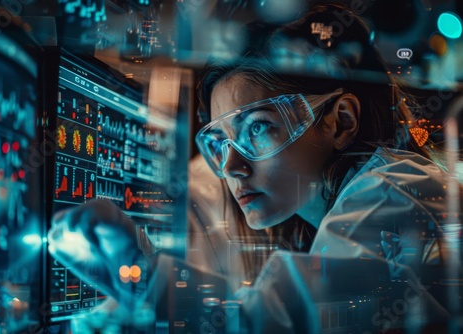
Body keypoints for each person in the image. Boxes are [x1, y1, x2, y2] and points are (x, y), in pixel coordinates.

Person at [48, 3, 458, 332]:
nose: (231, 166)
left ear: (341, 121)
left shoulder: (392, 191)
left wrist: (138, 275)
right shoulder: (363, 198)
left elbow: (277, 323)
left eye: (258, 128)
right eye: (220, 142)